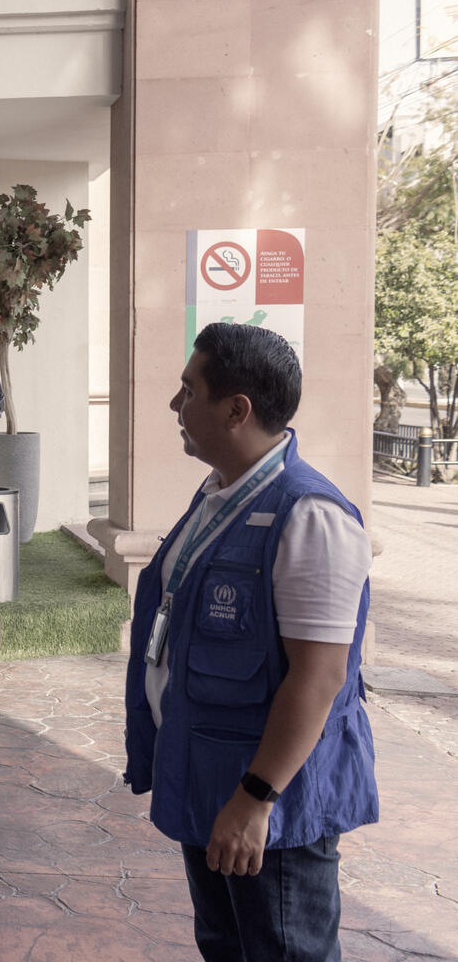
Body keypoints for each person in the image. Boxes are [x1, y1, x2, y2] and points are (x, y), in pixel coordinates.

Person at [123, 323, 378, 961]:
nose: (174, 406)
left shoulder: (310, 517)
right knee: (227, 947)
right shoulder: (219, 496)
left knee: (283, 950)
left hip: (267, 805)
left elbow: (318, 679)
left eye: (188, 391)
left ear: (237, 410)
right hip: (210, 781)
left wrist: (254, 799)